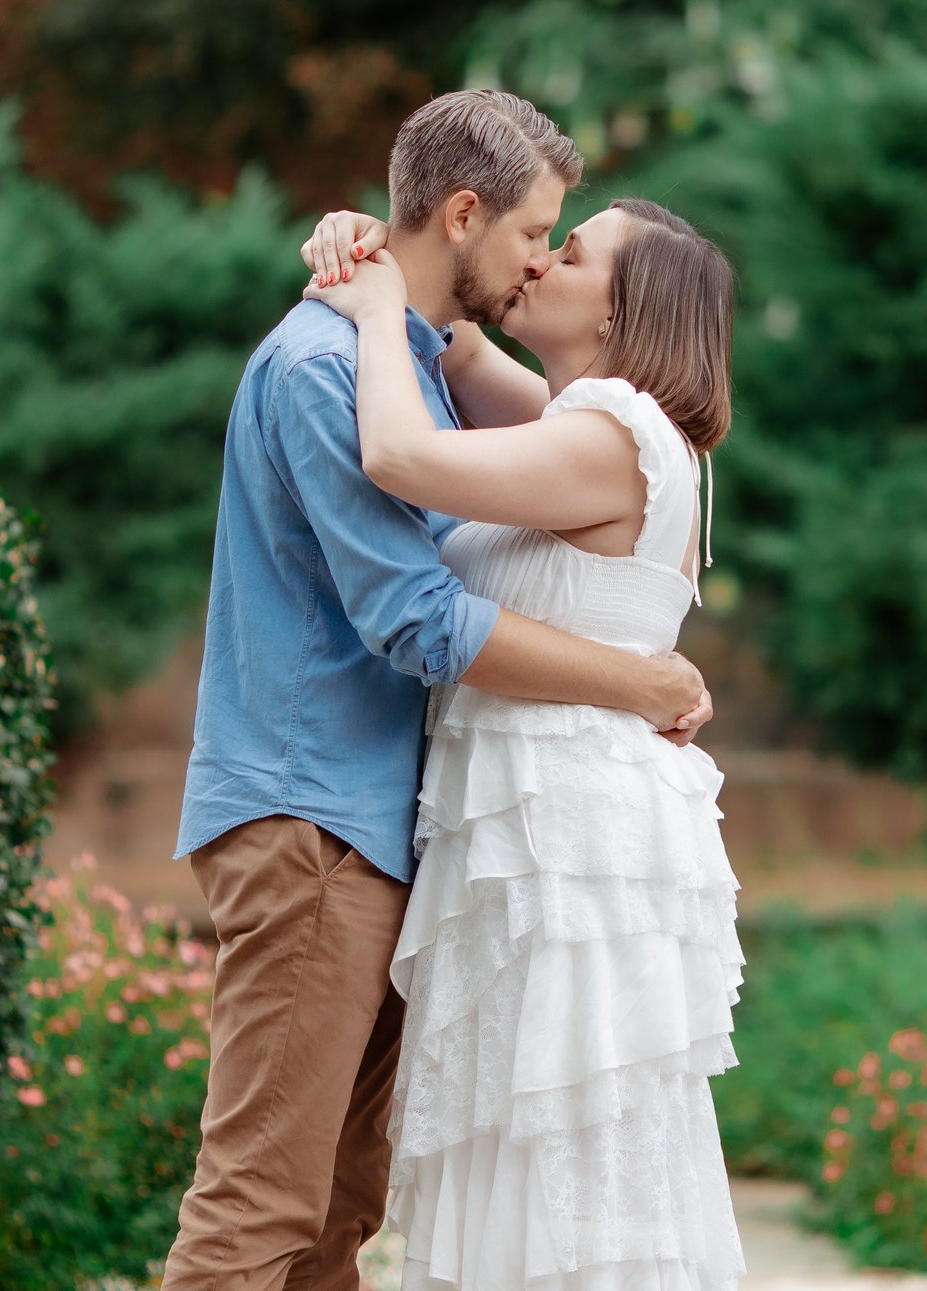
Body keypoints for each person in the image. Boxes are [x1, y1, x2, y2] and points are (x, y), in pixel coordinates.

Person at [165, 89, 716, 1291]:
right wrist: (637, 678)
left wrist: (372, 267)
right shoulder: (328, 365)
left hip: (378, 833)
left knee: (333, 1215)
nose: (535, 264)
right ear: (464, 214)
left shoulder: (409, 367)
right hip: (311, 818)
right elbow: (414, 616)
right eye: (535, 233)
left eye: (562, 247)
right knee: (262, 1204)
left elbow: (558, 424)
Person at [302, 190, 746, 1291]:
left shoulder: (612, 436)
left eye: (573, 249)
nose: (542, 258)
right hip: (528, 843)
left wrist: (363, 317)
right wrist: (363, 236)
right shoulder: (577, 413)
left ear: (619, 312)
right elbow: (452, 339)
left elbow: (400, 454)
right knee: (533, 1168)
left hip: (562, 852)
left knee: (569, 1173)